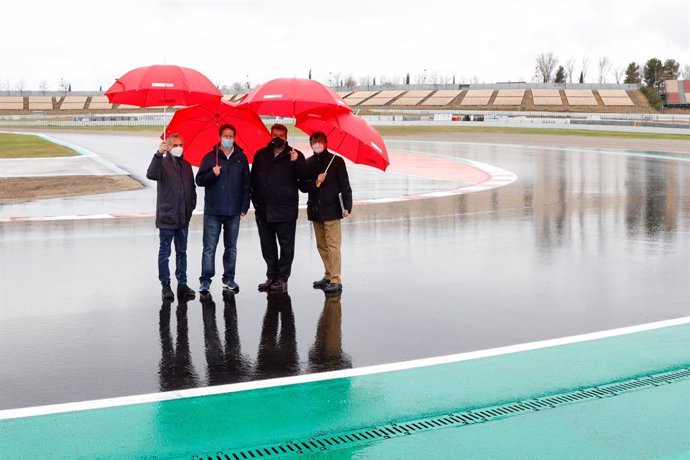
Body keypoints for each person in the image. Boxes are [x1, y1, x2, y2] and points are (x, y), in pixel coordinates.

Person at [196, 124, 250, 296]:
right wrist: (212, 173)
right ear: (219, 137)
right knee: (209, 247)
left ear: (234, 137)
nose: (228, 138)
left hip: (233, 211)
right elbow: (199, 180)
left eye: (231, 136)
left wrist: (244, 205)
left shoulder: (241, 158)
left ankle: (229, 278)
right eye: (225, 136)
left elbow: (246, 185)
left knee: (231, 248)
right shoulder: (210, 158)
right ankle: (205, 280)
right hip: (213, 211)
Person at [251, 124, 306, 292]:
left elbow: (304, 182)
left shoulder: (295, 155)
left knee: (286, 247)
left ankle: (282, 278)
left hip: (286, 211)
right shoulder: (261, 155)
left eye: (281, 135)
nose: (278, 138)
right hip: (264, 210)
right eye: (275, 134)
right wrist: (255, 202)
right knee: (267, 246)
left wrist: (298, 163)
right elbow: (253, 180)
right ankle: (271, 276)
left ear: (286, 137)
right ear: (270, 135)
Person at [146, 133, 197, 301]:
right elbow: (151, 174)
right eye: (174, 145)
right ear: (168, 146)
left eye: (180, 144)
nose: (178, 148)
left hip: (183, 218)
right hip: (167, 216)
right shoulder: (162, 163)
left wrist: (190, 208)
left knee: (182, 252)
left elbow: (192, 189)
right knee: (165, 252)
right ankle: (165, 284)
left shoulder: (187, 165)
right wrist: (159, 153)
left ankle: (182, 283)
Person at [302, 131, 352, 295]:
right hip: (315, 210)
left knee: (333, 245)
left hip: (332, 209)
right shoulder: (308, 163)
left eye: (319, 141)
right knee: (321, 245)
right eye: (313, 141)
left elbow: (345, 185)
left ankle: (336, 279)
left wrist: (347, 206)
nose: (316, 144)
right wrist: (316, 181)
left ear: (326, 143)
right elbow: (303, 186)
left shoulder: (336, 162)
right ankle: (328, 274)